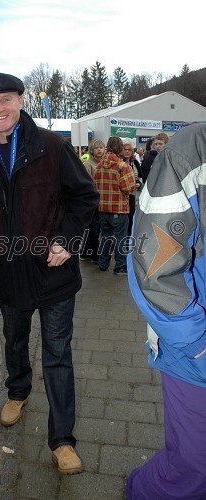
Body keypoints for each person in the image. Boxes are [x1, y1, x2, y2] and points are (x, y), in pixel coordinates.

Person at [0, 72, 98, 474]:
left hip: (53, 273)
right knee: (14, 339)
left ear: (22, 100)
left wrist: (66, 241)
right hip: (8, 273)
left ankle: (62, 440)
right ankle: (18, 390)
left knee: (58, 354)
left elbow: (85, 197)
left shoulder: (53, 146)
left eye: (6, 99)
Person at [127, 123, 206, 499]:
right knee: (193, 467)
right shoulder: (192, 148)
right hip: (195, 349)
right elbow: (154, 262)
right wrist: (195, 342)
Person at [94, 136, 136, 275]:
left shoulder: (99, 166)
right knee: (120, 238)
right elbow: (128, 188)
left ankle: (103, 263)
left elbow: (96, 185)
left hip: (103, 208)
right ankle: (120, 266)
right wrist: (135, 185)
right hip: (119, 208)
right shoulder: (123, 166)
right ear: (119, 148)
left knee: (105, 237)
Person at [80, 139, 105, 262]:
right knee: (93, 228)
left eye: (101, 147)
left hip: (102, 199)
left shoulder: (104, 163)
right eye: (97, 148)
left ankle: (85, 252)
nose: (99, 150)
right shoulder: (88, 164)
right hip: (92, 200)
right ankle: (93, 253)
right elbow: (87, 183)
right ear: (92, 150)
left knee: (93, 228)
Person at [121, 142, 142, 236]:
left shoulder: (135, 162)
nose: (127, 151)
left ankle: (128, 238)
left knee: (131, 217)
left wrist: (138, 183)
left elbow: (140, 177)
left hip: (132, 194)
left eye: (129, 149)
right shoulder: (119, 162)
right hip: (121, 195)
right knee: (122, 219)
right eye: (125, 149)